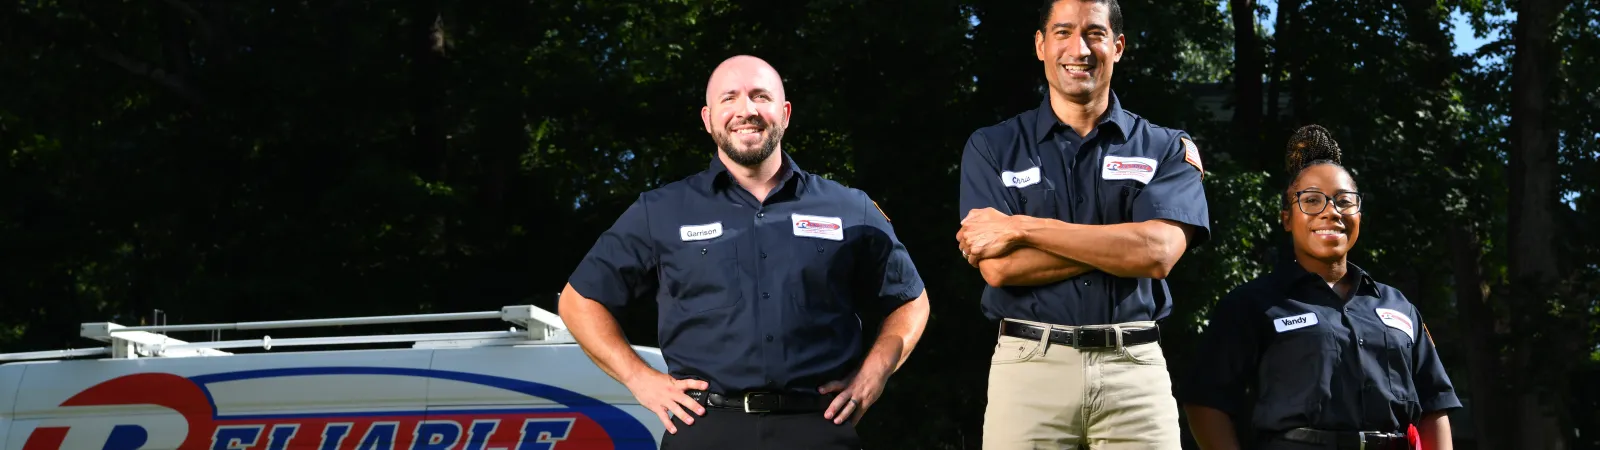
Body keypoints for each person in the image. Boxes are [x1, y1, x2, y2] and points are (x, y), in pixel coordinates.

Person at [557, 54, 931, 449]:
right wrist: (639, 377)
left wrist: (875, 372)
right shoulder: (660, 210)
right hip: (705, 426)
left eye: (760, 96)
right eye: (729, 98)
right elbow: (579, 302)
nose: (745, 110)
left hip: (818, 426)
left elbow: (911, 301)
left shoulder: (849, 207)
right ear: (708, 118)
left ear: (784, 113)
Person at [953, 0, 1211, 448]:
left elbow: (1157, 254)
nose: (1080, 48)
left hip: (1135, 369)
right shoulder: (992, 146)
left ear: (1118, 45)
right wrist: (1122, 245)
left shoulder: (1167, 147)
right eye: (1063, 32)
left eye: (1094, 33)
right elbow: (999, 269)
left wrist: (1022, 228)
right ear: (1040, 45)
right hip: (1030, 367)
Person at [1177, 125, 1461, 450]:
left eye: (1344, 201)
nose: (1331, 212)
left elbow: (1434, 406)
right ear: (1287, 218)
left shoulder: (1399, 307)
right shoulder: (1251, 305)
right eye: (1312, 201)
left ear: (1360, 214)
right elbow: (1205, 403)